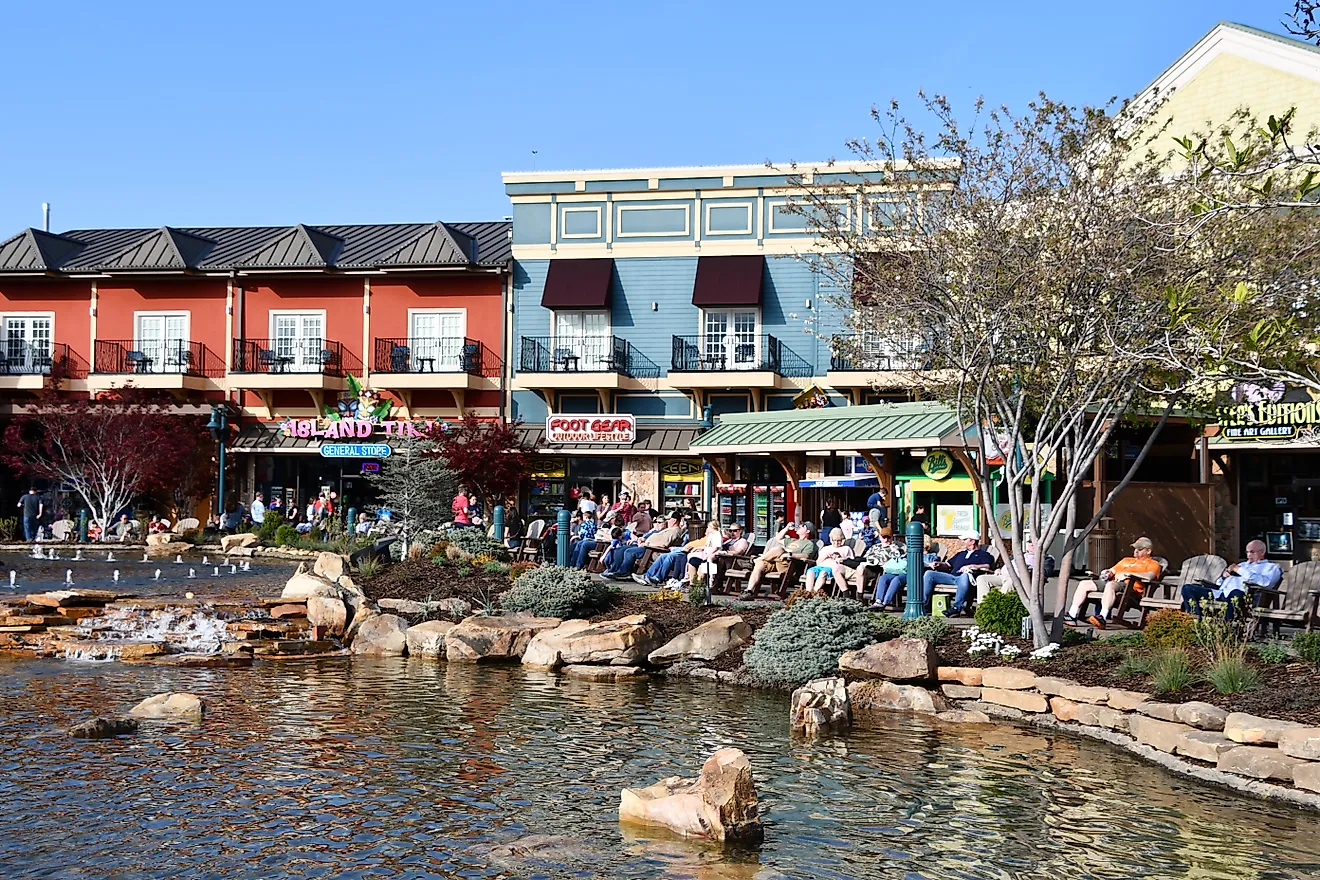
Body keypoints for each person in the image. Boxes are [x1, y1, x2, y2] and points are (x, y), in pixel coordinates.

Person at [1065, 536, 1163, 629]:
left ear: (1148, 551)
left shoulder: (1153, 564)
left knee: (1110, 585)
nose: (1136, 551)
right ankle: (1072, 615)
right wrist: (1107, 573)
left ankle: (1102, 617)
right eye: (1135, 548)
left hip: (1130, 588)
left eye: (1140, 549)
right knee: (1084, 584)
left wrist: (1127, 574)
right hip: (1113, 583)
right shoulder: (1126, 560)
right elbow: (1112, 570)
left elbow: (1150, 576)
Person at [1181, 539, 1282, 621]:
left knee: (1235, 592)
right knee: (1188, 588)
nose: (1248, 555)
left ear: (1262, 552)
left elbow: (1265, 583)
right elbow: (1218, 583)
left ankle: (1228, 627)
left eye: (1252, 552)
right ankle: (1194, 620)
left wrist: (1239, 570)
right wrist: (1224, 577)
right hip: (1221, 593)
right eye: (1247, 552)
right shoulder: (1242, 564)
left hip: (1244, 597)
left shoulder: (1272, 567)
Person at [922, 531, 994, 616]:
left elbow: (987, 566)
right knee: (929, 574)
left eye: (965, 540)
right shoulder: (961, 554)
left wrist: (971, 566)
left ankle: (956, 607)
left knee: (965, 576)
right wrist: (939, 564)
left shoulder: (984, 554)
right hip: (952, 577)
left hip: (966, 579)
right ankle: (924, 605)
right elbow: (948, 565)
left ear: (972, 541)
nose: (962, 541)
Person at [739, 523, 818, 599]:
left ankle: (754, 561)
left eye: (802, 526)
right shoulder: (792, 540)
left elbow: (806, 556)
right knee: (760, 564)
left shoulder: (809, 544)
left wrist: (790, 555)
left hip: (789, 565)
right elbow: (778, 538)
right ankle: (749, 591)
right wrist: (787, 527)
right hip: (776, 562)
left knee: (779, 549)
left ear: (808, 531)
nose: (799, 527)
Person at [603, 514, 685, 580]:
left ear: (674, 520)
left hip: (651, 549)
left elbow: (664, 544)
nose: (667, 521)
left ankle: (623, 572)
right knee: (621, 549)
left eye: (669, 519)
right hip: (645, 545)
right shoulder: (669, 529)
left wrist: (646, 544)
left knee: (629, 552)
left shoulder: (674, 531)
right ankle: (614, 570)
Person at [973, 540, 1055, 605]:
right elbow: (1007, 564)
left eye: (1034, 544)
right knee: (981, 578)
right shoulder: (1020, 554)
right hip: (1002, 576)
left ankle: (997, 605)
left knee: (1012, 581)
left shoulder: (1046, 558)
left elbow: (1046, 571)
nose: (1031, 545)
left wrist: (1027, 570)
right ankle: (983, 607)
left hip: (1019, 578)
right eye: (1030, 543)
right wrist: (999, 569)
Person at [871, 536, 941, 610]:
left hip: (912, 574)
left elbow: (931, 565)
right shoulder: (909, 553)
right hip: (901, 570)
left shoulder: (930, 556)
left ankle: (885, 602)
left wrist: (928, 564)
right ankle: (878, 601)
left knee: (897, 579)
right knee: (883, 578)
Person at [838, 530, 901, 600]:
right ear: (880, 537)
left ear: (892, 538)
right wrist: (846, 560)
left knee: (860, 568)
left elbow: (892, 562)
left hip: (875, 570)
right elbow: (864, 558)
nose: (886, 540)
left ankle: (859, 598)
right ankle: (846, 596)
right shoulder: (875, 546)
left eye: (888, 537)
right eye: (884, 537)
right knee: (837, 568)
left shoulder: (894, 549)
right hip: (864, 566)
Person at [805, 527, 854, 593]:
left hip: (833, 568)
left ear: (842, 539)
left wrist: (840, 559)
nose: (836, 543)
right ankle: (808, 592)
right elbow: (818, 562)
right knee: (810, 572)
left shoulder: (846, 548)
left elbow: (851, 561)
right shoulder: (826, 548)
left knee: (823, 573)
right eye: (834, 540)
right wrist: (826, 555)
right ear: (831, 540)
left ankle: (814, 592)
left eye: (839, 540)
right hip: (820, 566)